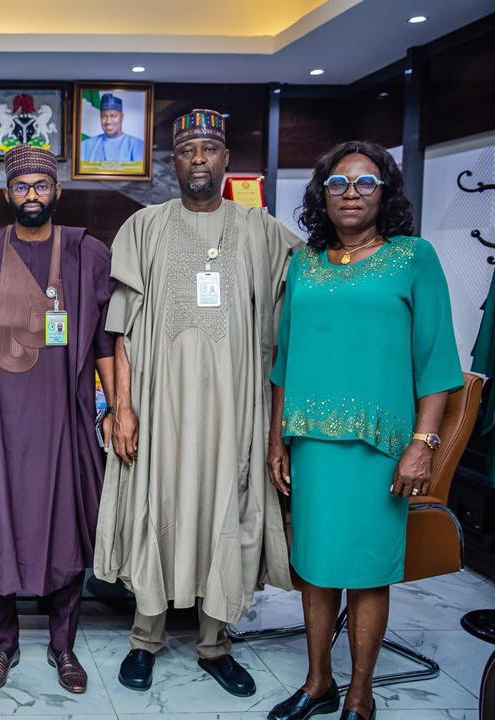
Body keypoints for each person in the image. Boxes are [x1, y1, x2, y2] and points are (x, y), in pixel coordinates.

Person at [95, 108, 302, 698]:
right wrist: (122, 408)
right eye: (187, 151)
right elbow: (122, 329)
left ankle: (215, 643)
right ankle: (145, 639)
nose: (198, 160)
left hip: (235, 410)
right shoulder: (145, 228)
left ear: (226, 159)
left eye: (209, 149)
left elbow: (310, 288)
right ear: (174, 163)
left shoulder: (261, 230)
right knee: (155, 507)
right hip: (159, 407)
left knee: (225, 511)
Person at [266, 141, 462, 720]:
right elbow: (284, 361)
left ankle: (360, 694)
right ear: (322, 196)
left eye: (365, 182)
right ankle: (318, 683)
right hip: (312, 445)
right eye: (338, 183)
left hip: (381, 450)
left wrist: (422, 445)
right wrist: (278, 440)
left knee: (369, 571)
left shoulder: (413, 258)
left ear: (386, 192)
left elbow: (437, 363)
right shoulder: (304, 263)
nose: (351, 193)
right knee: (316, 567)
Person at [0, 144, 115, 694]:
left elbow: (105, 340)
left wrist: (117, 408)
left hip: (63, 420)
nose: (31, 195)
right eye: (22, 186)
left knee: (64, 530)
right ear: (7, 193)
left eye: (41, 185)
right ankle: (1, 646)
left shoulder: (84, 253)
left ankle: (63, 645)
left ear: (57, 192)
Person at [80, 93, 144, 164]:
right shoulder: (85, 145)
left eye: (113, 116)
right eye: (104, 117)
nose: (108, 121)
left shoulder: (138, 146)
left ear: (122, 117)